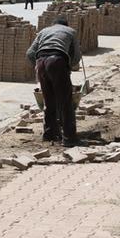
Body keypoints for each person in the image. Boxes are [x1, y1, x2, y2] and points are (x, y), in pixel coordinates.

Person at [26, 19, 82, 147]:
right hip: (57, 61)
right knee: (65, 102)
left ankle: (49, 134)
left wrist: (37, 65)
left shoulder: (43, 31)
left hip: (41, 62)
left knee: (49, 101)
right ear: (65, 25)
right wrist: (67, 67)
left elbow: (30, 53)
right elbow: (77, 56)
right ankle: (69, 138)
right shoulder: (71, 31)